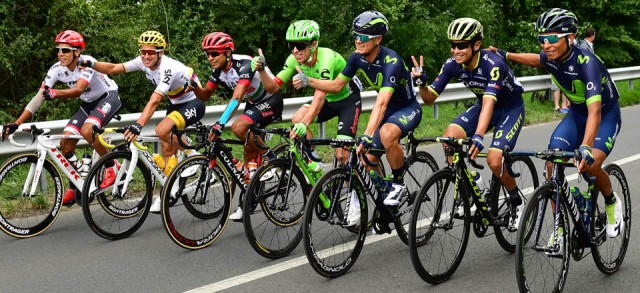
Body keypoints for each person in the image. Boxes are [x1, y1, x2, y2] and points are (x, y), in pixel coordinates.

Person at [491, 8, 623, 239]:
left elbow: (595, 112)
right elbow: (535, 59)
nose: (546, 44)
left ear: (570, 37)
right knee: (552, 164)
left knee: (591, 164)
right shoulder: (552, 57)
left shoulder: (587, 63)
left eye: (552, 38)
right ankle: (559, 226)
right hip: (576, 115)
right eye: (542, 39)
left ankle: (612, 201)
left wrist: (585, 147)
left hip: (604, 114)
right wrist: (506, 54)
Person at [294, 11, 422, 227]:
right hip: (388, 112)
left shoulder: (391, 61)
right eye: (355, 35)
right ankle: (385, 200)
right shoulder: (356, 58)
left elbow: (380, 105)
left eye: (363, 37)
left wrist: (366, 135)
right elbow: (336, 86)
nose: (357, 41)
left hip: (407, 108)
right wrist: (310, 81)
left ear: (378, 39)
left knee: (386, 133)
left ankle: (398, 184)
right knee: (365, 161)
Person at [412, 18, 526, 230]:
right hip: (482, 105)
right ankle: (471, 182)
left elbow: (490, 103)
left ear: (476, 45)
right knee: (449, 137)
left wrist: (479, 135)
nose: (456, 50)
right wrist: (422, 83)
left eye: (462, 45)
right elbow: (429, 99)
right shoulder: (451, 65)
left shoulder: (493, 64)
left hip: (509, 108)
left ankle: (515, 201)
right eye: (453, 45)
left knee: (493, 160)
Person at [79, 30, 205, 213]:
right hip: (176, 104)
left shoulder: (168, 68)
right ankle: (172, 187)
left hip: (194, 102)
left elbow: (155, 100)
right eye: (143, 51)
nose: (146, 56)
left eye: (150, 52)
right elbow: (115, 68)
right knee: (167, 149)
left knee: (162, 131)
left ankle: (193, 155)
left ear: (160, 52)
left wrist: (139, 125)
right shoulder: (143, 62)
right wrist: (92, 64)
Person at [2, 30, 122, 207]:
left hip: (107, 97)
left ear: (77, 51)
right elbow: (39, 97)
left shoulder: (85, 63)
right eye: (58, 50)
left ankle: (113, 166)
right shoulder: (56, 69)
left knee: (87, 131)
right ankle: (77, 184)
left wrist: (55, 93)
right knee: (66, 141)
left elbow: (78, 90)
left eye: (65, 50)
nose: (60, 54)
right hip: (88, 103)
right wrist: (17, 123)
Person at [191, 32, 284, 221]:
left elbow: (237, 97)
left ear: (227, 52)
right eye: (207, 54)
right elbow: (206, 94)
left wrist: (220, 124)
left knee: (238, 128)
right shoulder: (218, 69)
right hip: (255, 103)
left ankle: (270, 158)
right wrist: (194, 88)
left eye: (214, 53)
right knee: (248, 152)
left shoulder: (245, 64)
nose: (210, 58)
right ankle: (249, 201)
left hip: (271, 100)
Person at [251, 20, 362, 166]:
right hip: (328, 100)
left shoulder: (326, 57)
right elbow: (272, 88)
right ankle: (316, 163)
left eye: (300, 45)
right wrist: (262, 70)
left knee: (342, 156)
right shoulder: (293, 60)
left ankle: (356, 186)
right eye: (291, 45)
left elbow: (320, 96)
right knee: (297, 118)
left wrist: (305, 123)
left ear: (313, 44)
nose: (295, 50)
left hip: (347, 101)